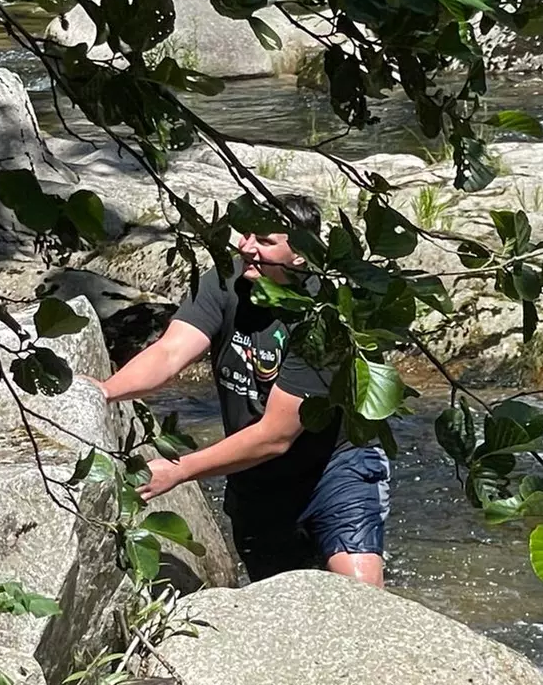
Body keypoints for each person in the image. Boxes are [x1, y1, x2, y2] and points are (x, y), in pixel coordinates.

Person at [92, 195, 390, 586]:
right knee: (280, 607)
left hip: (334, 471)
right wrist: (102, 391)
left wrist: (179, 471)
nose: (246, 246)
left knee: (359, 595)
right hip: (257, 484)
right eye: (246, 234)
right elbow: (168, 353)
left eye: (264, 241)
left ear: (301, 254)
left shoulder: (325, 318)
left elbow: (275, 436)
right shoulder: (224, 280)